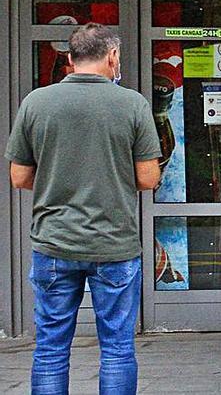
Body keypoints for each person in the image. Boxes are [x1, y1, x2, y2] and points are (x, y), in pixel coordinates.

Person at [6, 23, 162, 395]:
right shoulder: (133, 104)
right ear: (112, 57)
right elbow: (148, 178)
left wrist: (56, 182)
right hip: (114, 245)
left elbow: (18, 176)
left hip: (54, 243)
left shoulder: (36, 102)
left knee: (49, 350)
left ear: (70, 60)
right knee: (118, 350)